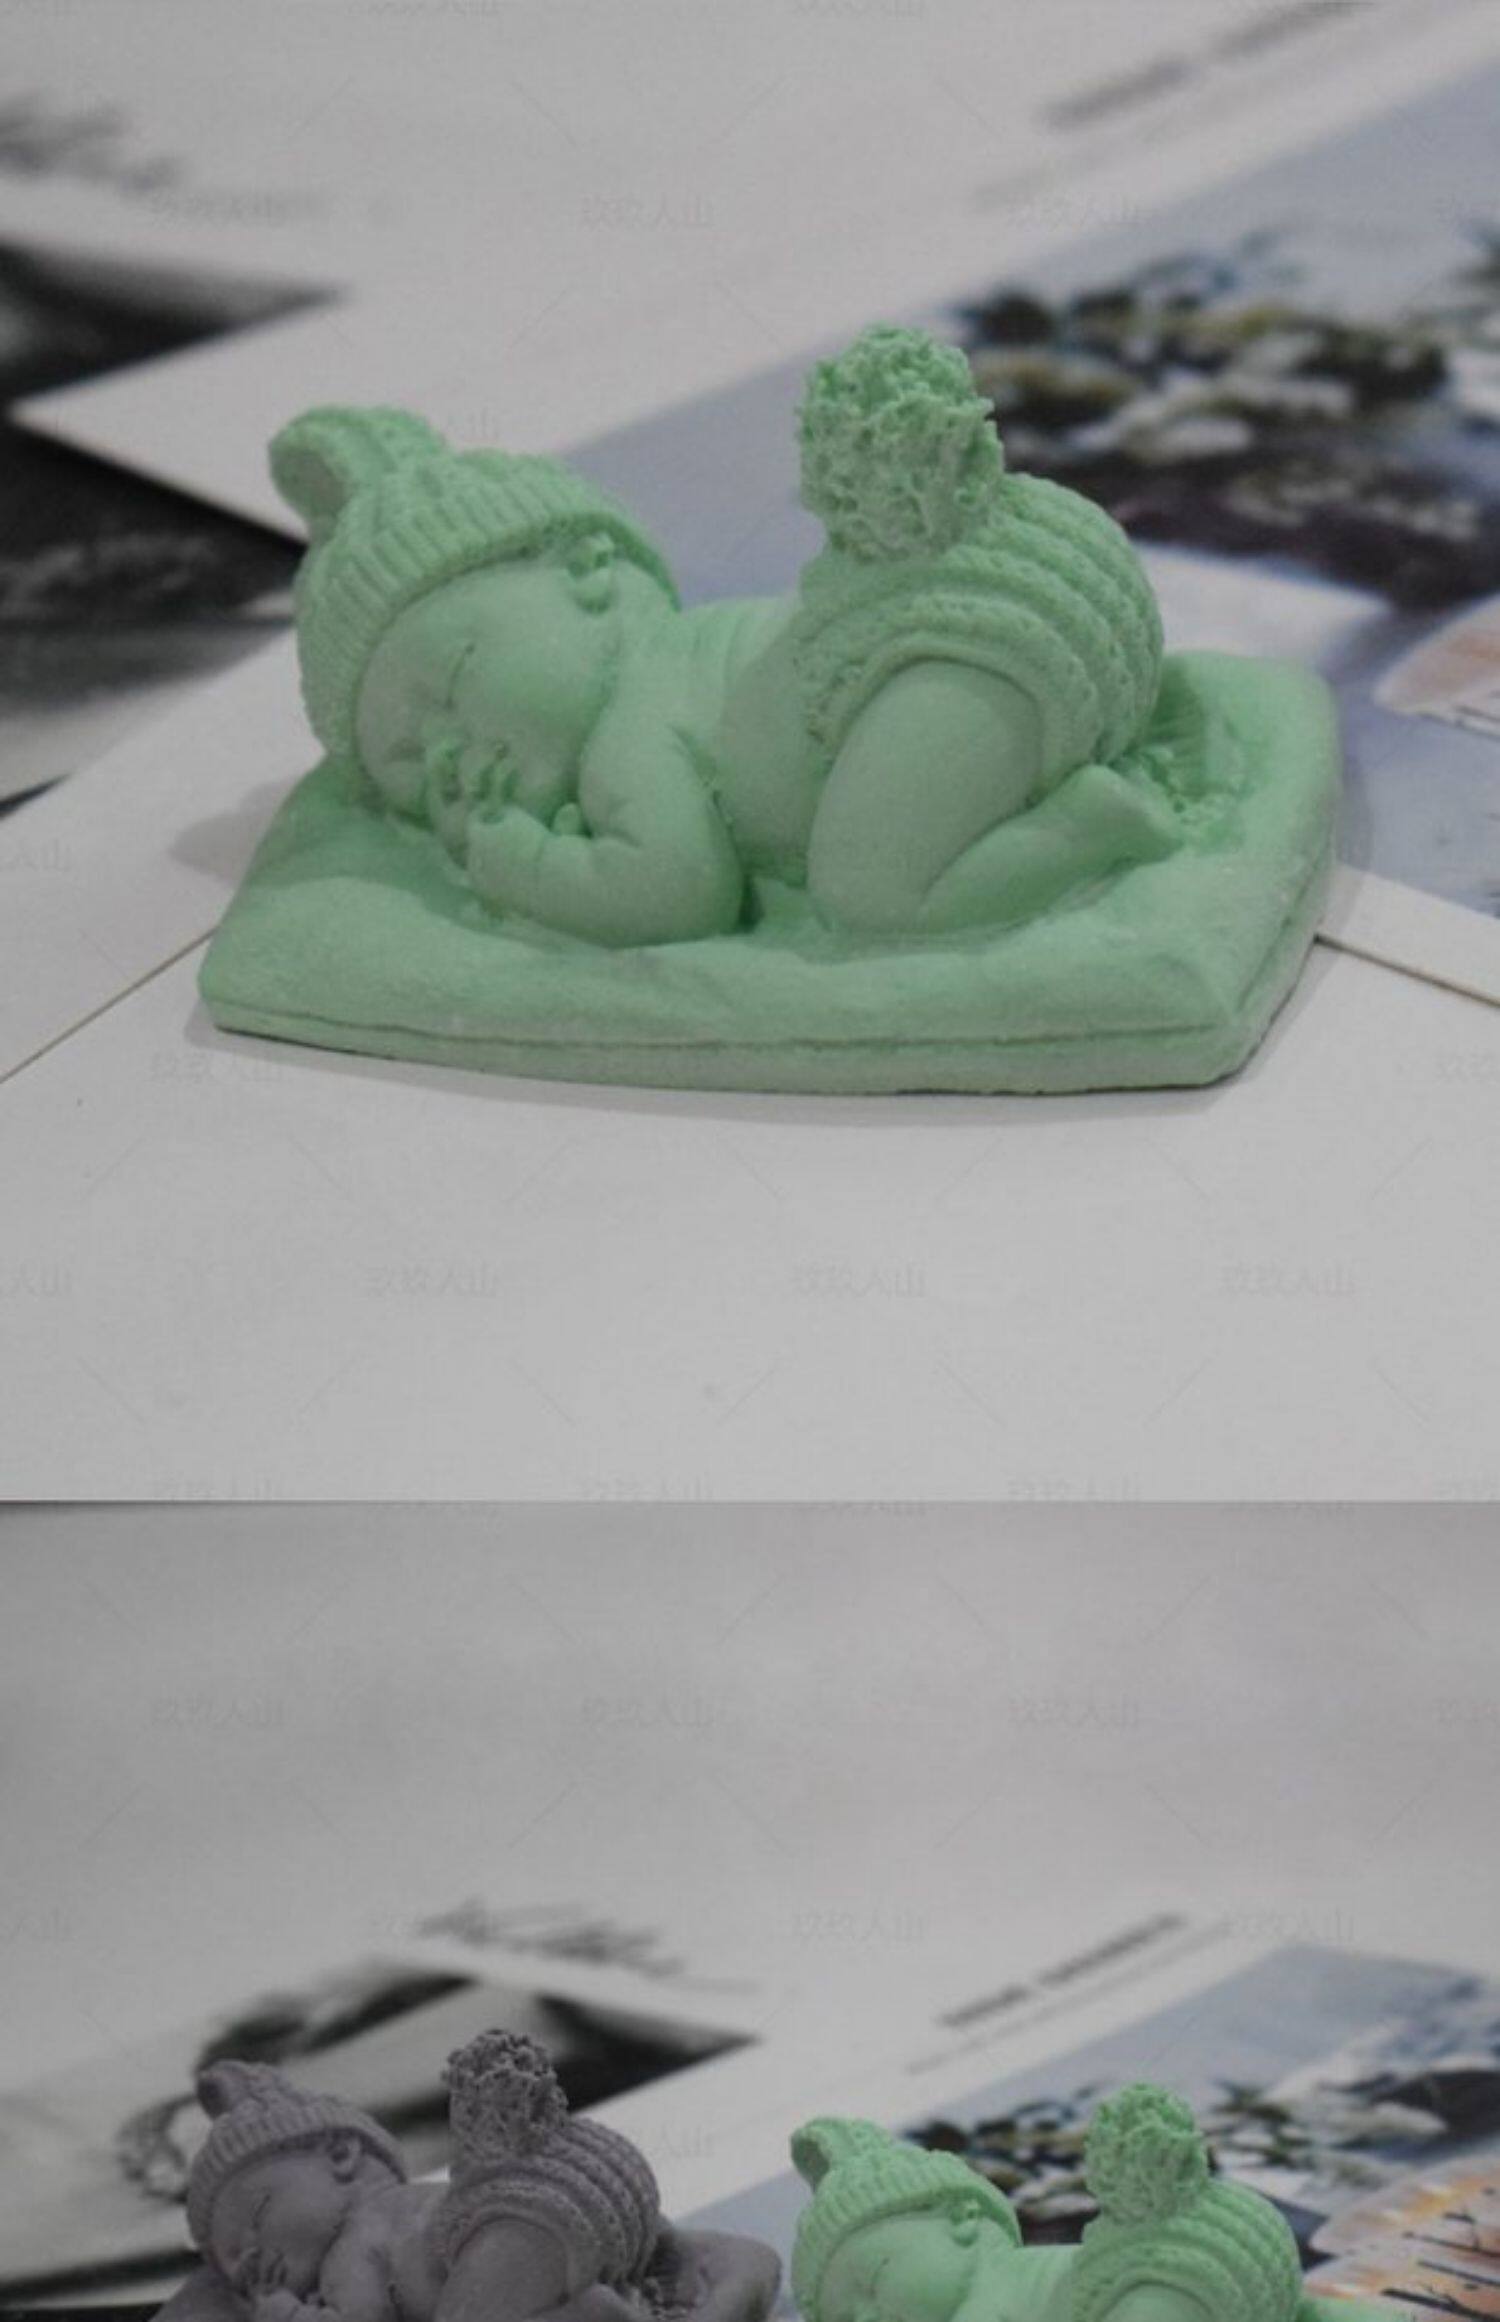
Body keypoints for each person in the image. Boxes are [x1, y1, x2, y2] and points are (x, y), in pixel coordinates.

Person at [268, 326, 1182, 951]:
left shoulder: (629, 736)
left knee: (875, 893)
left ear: (589, 566)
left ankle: (1083, 827)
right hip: (1012, 626)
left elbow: (676, 892)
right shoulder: (701, 651)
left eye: (451, 684)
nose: (452, 757)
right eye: (414, 771)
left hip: (952, 661)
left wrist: (527, 867)